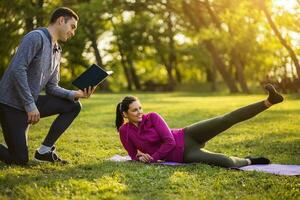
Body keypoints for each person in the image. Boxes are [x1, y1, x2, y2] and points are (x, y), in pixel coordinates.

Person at [0, 7, 96, 165]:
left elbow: (52, 87)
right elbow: (18, 69)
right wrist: (30, 105)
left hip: (30, 103)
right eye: (72, 27)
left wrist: (75, 94)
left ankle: (44, 151)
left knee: (73, 106)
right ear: (60, 21)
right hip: (11, 104)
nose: (73, 32)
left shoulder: (57, 50)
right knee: (19, 159)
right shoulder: (35, 37)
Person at [115, 84, 284, 168]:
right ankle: (249, 160)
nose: (140, 112)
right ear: (125, 114)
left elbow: (170, 141)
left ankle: (269, 101)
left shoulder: (153, 117)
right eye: (134, 110)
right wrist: (140, 158)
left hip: (187, 135)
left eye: (140, 108)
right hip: (185, 154)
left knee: (226, 119)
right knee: (226, 162)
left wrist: (152, 158)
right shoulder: (125, 132)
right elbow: (132, 155)